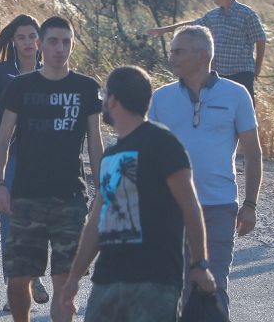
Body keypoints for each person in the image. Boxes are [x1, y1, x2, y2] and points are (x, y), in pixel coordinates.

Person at [58, 66, 216, 322]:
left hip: (155, 281)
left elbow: (190, 205)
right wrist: (74, 278)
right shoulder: (111, 155)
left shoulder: (162, 142)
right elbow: (97, 221)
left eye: (103, 95)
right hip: (107, 279)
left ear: (113, 100)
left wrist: (200, 264)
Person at [0, 16, 104, 322]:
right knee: (18, 279)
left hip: (70, 197)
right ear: (40, 45)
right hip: (26, 197)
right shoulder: (22, 86)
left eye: (66, 42)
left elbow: (95, 144)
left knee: (65, 283)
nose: (60, 48)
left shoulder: (86, 88)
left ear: (73, 45)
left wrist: (103, 191)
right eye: (53, 41)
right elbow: (2, 140)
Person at [148, 25, 262, 317]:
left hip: (219, 208)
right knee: (177, 290)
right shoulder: (161, 97)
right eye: (172, 51)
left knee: (213, 285)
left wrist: (249, 204)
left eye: (178, 52)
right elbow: (148, 154)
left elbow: (252, 151)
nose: (171, 57)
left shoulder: (237, 95)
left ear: (202, 56)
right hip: (170, 209)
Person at [0, 15, 47, 311]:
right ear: (13, 40)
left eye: (32, 37)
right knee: (9, 220)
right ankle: (15, 287)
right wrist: (15, 93)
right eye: (21, 37)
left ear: (40, 40)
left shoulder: (51, 72)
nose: (27, 43)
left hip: (43, 156)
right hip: (9, 153)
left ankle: (33, 276)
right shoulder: (1, 71)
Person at [148, 0, 267, 104]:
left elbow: (260, 39)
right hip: (219, 75)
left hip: (241, 73)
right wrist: (165, 30)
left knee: (244, 108)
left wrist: (257, 67)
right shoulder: (212, 16)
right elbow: (192, 25)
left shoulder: (247, 14)